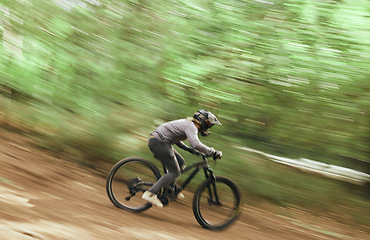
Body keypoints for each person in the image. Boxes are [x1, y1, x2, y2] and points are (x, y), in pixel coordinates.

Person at [142, 109, 223, 207]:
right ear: (202, 120)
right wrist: (212, 152)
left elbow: (176, 139)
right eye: (208, 123)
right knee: (175, 171)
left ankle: (170, 188)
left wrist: (189, 149)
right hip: (159, 143)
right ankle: (150, 193)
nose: (209, 126)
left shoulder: (188, 124)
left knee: (181, 163)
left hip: (161, 142)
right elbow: (196, 144)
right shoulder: (191, 126)